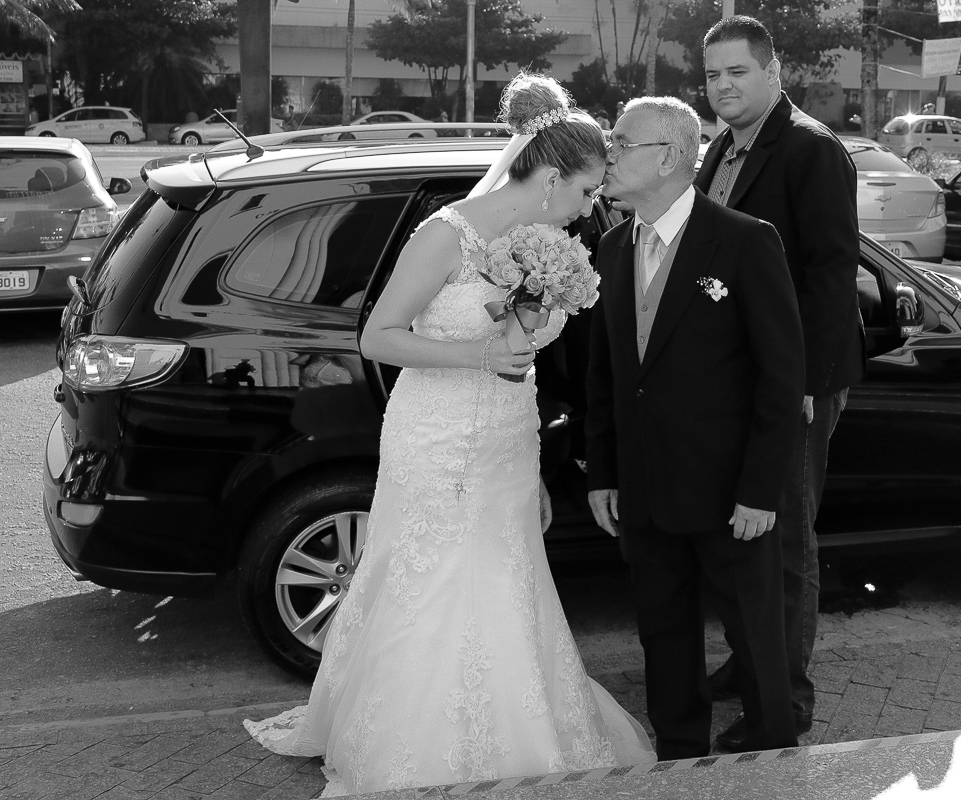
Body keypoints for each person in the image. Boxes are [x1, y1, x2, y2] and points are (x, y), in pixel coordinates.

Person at [244, 72, 654, 795]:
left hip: (506, 438)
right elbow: (378, 336)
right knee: (431, 579)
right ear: (551, 179)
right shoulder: (446, 234)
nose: (593, 206)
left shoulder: (545, 245)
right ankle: (414, 746)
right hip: (434, 436)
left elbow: (524, 367)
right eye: (588, 191)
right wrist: (479, 356)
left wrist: (532, 467)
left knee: (506, 576)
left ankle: (511, 730)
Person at [587, 96, 806, 759]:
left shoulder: (744, 240)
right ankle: (679, 756)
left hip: (731, 492)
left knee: (755, 635)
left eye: (621, 143)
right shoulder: (611, 248)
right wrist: (603, 473)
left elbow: (781, 378)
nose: (608, 155)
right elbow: (607, 374)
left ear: (671, 157)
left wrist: (761, 491)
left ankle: (774, 752)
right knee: (663, 632)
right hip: (646, 487)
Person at [693, 16, 864, 750]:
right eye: (712, 75)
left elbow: (831, 274)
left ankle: (786, 701)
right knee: (744, 535)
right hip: (738, 380)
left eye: (737, 72)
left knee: (786, 538)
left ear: (773, 72)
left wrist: (806, 385)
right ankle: (752, 662)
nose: (723, 86)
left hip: (793, 384)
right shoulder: (721, 147)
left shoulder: (811, 149)